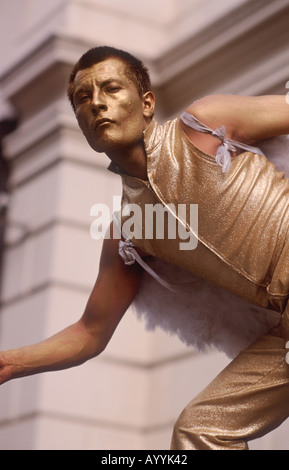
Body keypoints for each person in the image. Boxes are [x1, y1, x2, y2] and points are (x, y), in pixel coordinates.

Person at [1, 45, 289, 450]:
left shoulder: (203, 125)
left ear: (147, 102)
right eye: (84, 99)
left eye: (112, 88)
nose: (98, 103)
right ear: (80, 124)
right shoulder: (129, 231)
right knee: (198, 431)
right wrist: (9, 363)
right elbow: (90, 331)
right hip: (284, 327)